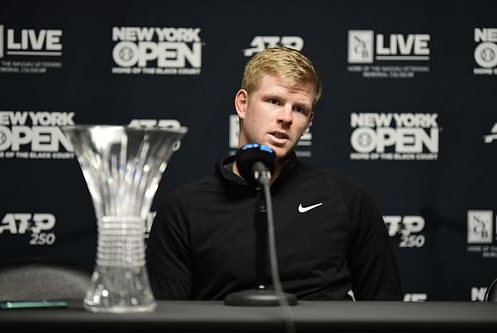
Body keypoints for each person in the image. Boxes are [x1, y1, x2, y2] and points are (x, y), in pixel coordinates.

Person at [146, 47, 403, 301]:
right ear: (242, 104)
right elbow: (166, 318)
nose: (286, 117)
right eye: (274, 101)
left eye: (299, 109)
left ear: (309, 122)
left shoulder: (346, 198)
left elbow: (386, 307)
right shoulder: (184, 209)